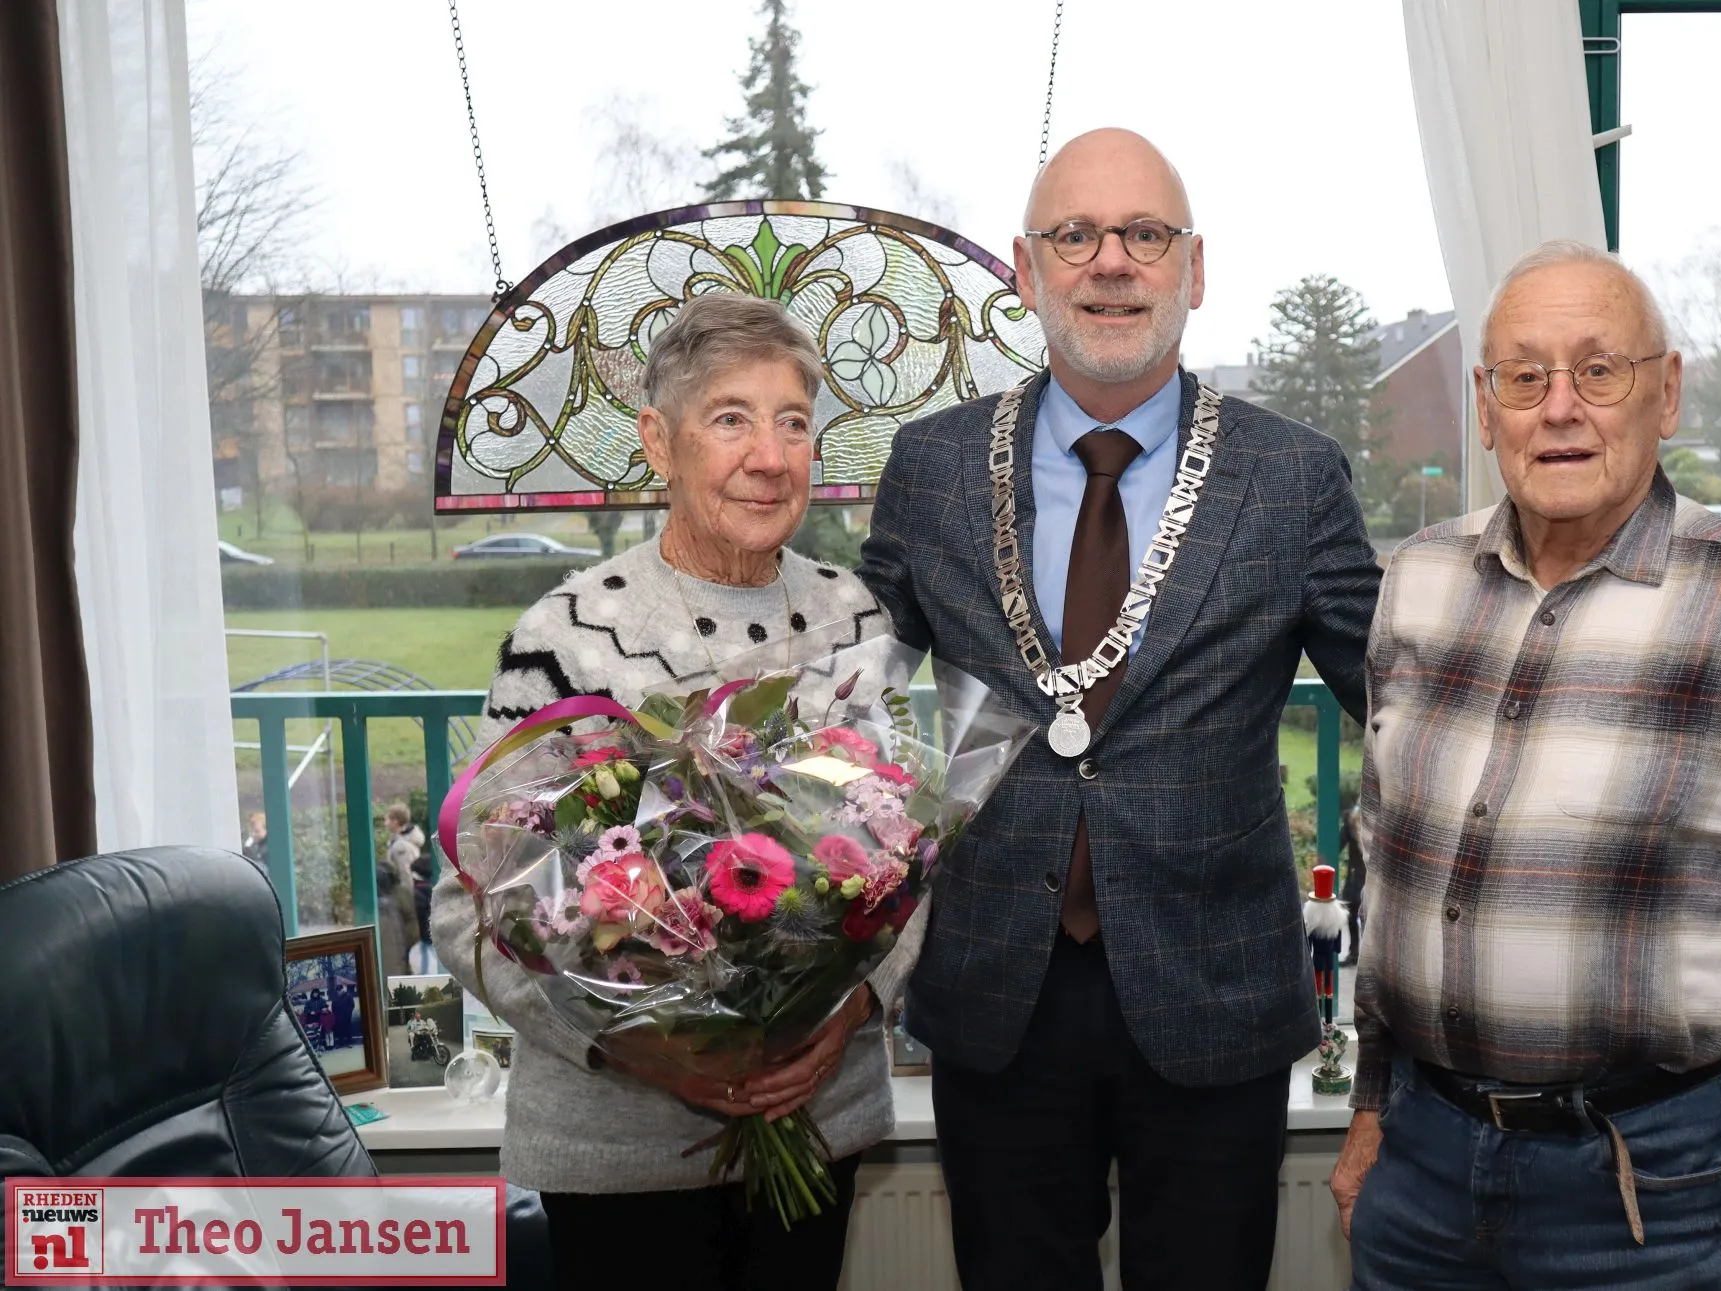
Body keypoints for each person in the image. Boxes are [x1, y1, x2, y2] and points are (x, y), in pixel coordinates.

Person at [856, 127, 1382, 1291]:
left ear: (1193, 269)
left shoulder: (1290, 476)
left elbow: (1401, 709)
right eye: (1075, 235)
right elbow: (843, 708)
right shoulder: (930, 467)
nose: (1110, 262)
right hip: (996, 995)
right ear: (1022, 266)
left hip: (1216, 995)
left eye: (1144, 235)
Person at [1330, 241, 1721, 1291]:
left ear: (1663, 392)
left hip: (1648, 1191)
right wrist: (1369, 1107)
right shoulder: (1418, 584)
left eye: (1597, 369)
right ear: (1485, 410)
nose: (1559, 407)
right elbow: (1382, 868)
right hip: (1422, 1171)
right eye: (1523, 377)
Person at [431, 293, 904, 1291]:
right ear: (658, 441)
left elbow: (906, 857)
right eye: (729, 418)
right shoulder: (564, 635)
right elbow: (471, 904)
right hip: (618, 1152)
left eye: (793, 422)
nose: (769, 456)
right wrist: (637, 1050)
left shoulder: (853, 617)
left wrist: (853, 1004)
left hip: (811, 1123)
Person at [377, 804, 424, 976]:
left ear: (396, 822)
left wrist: (406, 902)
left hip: (405, 901)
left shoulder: (400, 847)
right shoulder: (401, 843)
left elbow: (406, 876)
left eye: (388, 819)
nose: (385, 823)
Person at [1337, 803, 1365, 966]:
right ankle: (1354, 953)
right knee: (1351, 914)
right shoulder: (1352, 820)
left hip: (1369, 877)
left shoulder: (1380, 819)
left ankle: (1363, 955)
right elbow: (1338, 844)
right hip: (1357, 877)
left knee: (1366, 917)